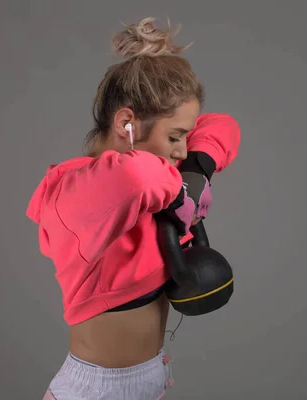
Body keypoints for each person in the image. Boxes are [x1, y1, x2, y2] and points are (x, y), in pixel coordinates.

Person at [26, 17, 241, 399]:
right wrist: (181, 188)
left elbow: (223, 126)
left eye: (185, 137)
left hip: (150, 381)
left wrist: (197, 168)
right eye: (175, 137)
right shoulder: (73, 190)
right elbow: (138, 178)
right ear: (127, 123)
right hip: (95, 392)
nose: (181, 150)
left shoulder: (155, 177)